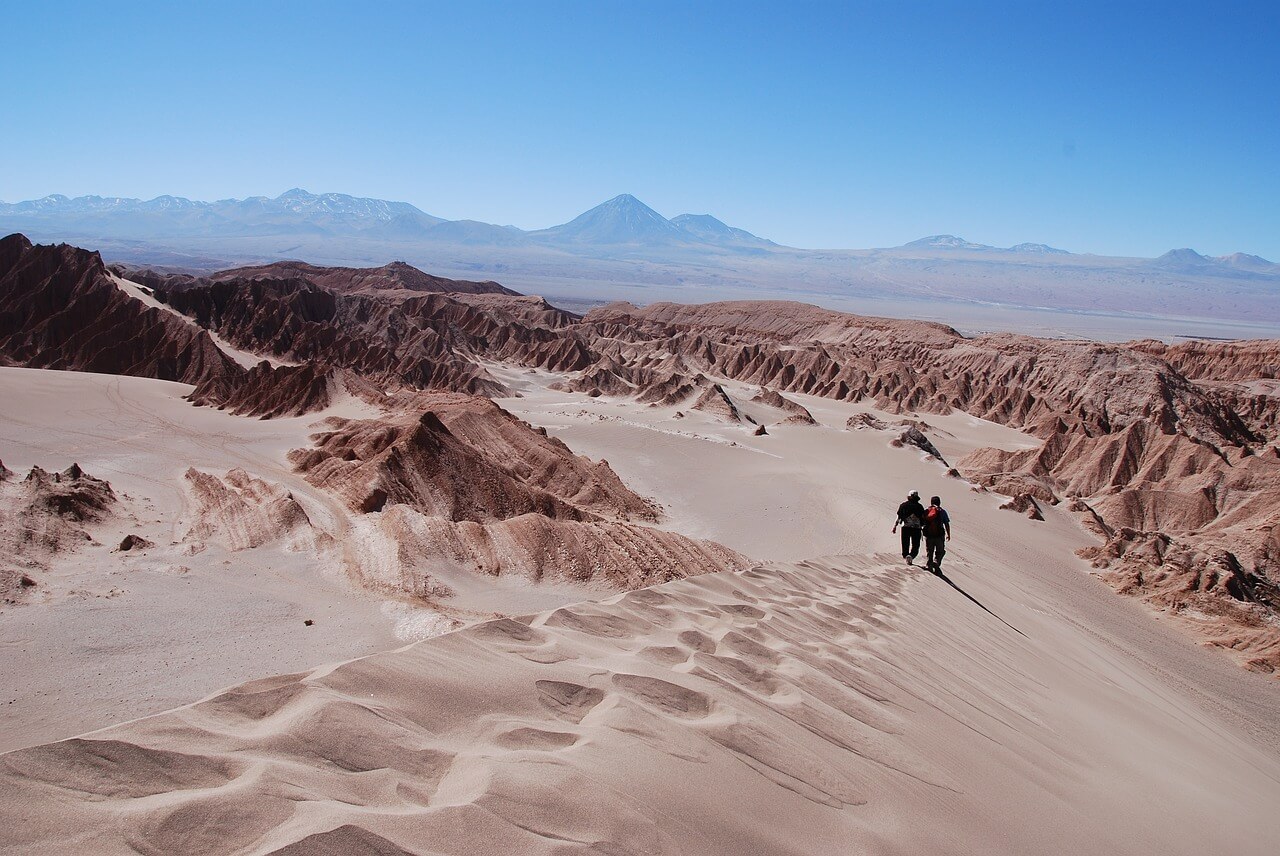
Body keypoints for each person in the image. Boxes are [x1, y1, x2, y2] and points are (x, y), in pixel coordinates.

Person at [892, 490, 926, 565]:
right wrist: (923, 526)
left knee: (905, 544)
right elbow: (923, 518)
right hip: (916, 528)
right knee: (915, 545)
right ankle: (911, 556)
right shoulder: (919, 507)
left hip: (905, 527)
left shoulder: (903, 505)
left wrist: (895, 526)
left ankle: (906, 556)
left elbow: (899, 517)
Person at [923, 495, 951, 574]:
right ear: (939, 502)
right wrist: (948, 534)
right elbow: (946, 524)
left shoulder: (927, 511)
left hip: (929, 535)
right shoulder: (942, 511)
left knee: (930, 551)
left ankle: (929, 565)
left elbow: (923, 522)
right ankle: (936, 562)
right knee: (940, 551)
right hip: (939, 535)